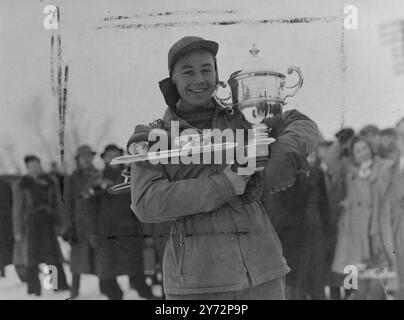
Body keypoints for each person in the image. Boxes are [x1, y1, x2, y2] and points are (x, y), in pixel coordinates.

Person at [127, 36, 320, 299]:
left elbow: (300, 122)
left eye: (206, 69)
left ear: (217, 75)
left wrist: (283, 151)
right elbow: (145, 202)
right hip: (198, 283)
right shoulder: (156, 136)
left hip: (263, 272)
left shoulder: (241, 118)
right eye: (188, 71)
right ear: (172, 79)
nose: (199, 79)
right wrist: (224, 184)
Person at [88, 144, 154, 299]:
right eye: (109, 156)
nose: (112, 158)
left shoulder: (133, 175)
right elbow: (90, 209)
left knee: (136, 270)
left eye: (115, 154)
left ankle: (148, 296)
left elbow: (141, 203)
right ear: (104, 159)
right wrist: (92, 232)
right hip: (106, 234)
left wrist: (145, 231)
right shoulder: (97, 179)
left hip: (129, 231)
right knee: (107, 274)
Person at [331, 137, 392, 300]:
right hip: (356, 237)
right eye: (358, 151)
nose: (363, 153)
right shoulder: (352, 175)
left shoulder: (384, 168)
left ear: (371, 149)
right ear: (354, 155)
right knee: (358, 285)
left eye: (365, 148)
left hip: (377, 233)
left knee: (378, 285)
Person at [12, 155, 69, 296]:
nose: (34, 169)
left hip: (47, 223)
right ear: (27, 168)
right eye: (31, 166)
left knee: (52, 257)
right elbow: (17, 208)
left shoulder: (50, 181)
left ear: (40, 165)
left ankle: (58, 286)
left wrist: (61, 223)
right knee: (31, 259)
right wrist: (18, 230)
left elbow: (58, 203)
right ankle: (34, 290)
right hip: (30, 225)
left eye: (36, 165)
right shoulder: (22, 183)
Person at [63, 145, 102, 298]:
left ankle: (105, 287)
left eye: (89, 156)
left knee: (99, 258)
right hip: (78, 226)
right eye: (83, 156)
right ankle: (74, 291)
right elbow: (68, 204)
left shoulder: (98, 175)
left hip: (96, 224)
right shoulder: (72, 179)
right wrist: (69, 226)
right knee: (77, 262)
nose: (86, 159)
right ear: (78, 160)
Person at [0, 178, 13, 277]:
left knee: (5, 246)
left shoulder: (5, 185)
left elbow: (12, 203)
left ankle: (4, 269)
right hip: (6, 220)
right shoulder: (6, 184)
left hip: (6, 220)